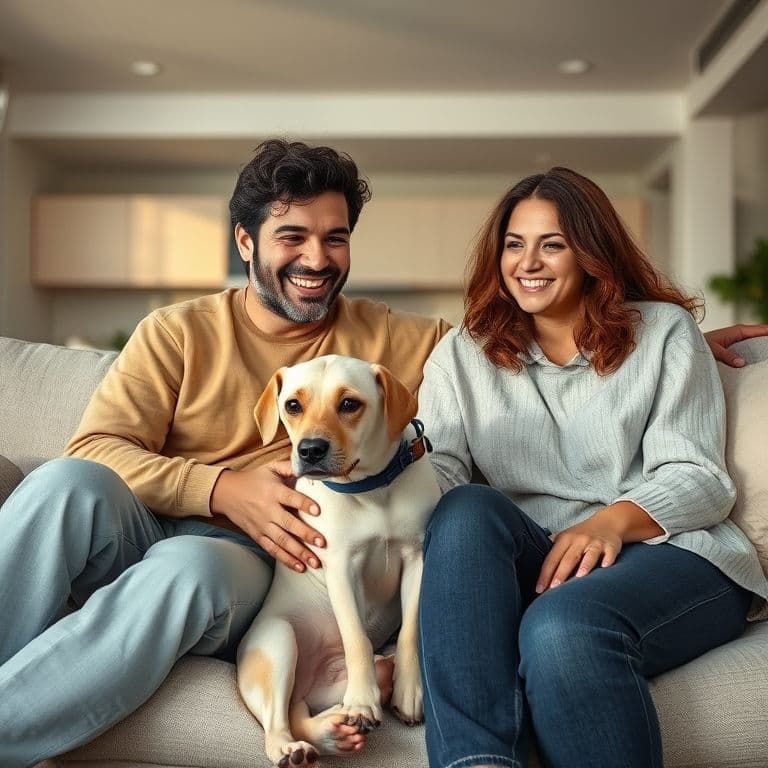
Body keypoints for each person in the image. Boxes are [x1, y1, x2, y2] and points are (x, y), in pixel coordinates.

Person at [0, 141, 763, 767]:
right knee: (66, 483)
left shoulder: (404, 342)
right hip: (176, 512)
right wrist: (220, 487)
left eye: (335, 238)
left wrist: (679, 336)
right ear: (245, 243)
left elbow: (526, 351)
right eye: (291, 237)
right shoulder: (177, 331)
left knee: (191, 566)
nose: (316, 257)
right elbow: (97, 447)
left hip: (257, 558)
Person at [415, 167, 768, 768]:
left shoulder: (663, 332)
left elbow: (700, 477)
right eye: (514, 244)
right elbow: (440, 476)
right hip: (542, 558)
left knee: (561, 627)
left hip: (673, 553)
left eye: (552, 244)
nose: (528, 262)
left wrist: (610, 523)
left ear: (591, 253)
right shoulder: (461, 354)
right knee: (465, 507)